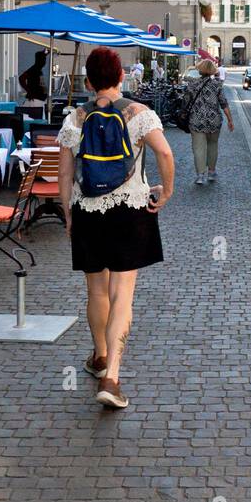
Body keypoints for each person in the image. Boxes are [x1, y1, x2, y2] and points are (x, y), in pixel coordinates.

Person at [58, 47, 174, 409]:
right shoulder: (139, 114)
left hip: (89, 211)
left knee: (96, 291)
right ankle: (112, 376)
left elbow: (63, 173)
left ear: (89, 81)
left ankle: (100, 355)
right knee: (122, 293)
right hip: (130, 211)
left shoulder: (74, 119)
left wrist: (68, 212)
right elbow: (165, 154)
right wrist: (166, 191)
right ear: (121, 76)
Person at [184, 58, 234, 186]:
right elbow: (224, 103)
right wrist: (230, 120)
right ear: (212, 71)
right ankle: (211, 172)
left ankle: (200, 175)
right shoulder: (217, 85)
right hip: (214, 120)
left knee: (198, 148)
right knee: (213, 145)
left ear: (200, 70)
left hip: (196, 120)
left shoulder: (192, 85)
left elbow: (185, 102)